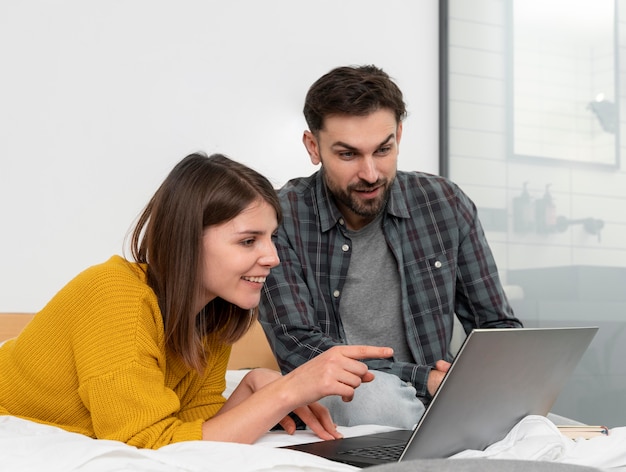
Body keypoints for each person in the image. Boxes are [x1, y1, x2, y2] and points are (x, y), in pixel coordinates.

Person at [0, 152, 394, 448]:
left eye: (271, 237)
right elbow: (146, 445)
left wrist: (254, 386)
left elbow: (194, 433)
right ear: (188, 239)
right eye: (248, 240)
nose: (273, 256)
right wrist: (287, 391)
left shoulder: (211, 318)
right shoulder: (115, 295)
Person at [258, 65, 523, 429]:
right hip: (347, 389)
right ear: (313, 147)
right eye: (348, 155)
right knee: (380, 403)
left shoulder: (443, 202)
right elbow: (298, 345)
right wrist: (423, 379)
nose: (370, 173)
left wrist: (486, 378)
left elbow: (494, 324)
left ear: (399, 134)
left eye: (383, 150)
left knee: (535, 415)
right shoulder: (279, 216)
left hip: (440, 390)